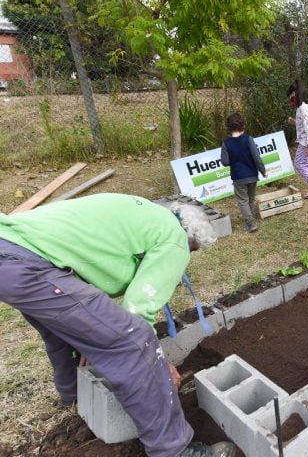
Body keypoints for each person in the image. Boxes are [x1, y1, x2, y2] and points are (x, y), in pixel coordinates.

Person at [0, 193, 236, 457]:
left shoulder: (144, 215)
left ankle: (75, 395)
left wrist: (97, 333)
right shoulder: (174, 238)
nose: (188, 256)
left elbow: (89, 273)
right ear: (192, 240)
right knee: (133, 341)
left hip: (11, 251)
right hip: (28, 265)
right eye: (193, 251)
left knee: (61, 334)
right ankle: (174, 450)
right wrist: (156, 364)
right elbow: (137, 309)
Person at [220, 112, 268, 233]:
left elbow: (225, 162)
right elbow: (257, 157)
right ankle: (251, 221)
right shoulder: (249, 139)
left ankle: (251, 224)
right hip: (252, 175)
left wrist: (234, 160)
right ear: (243, 125)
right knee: (251, 199)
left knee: (243, 201)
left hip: (238, 177)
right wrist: (263, 171)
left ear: (229, 127)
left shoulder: (226, 143)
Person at [286, 79, 308, 199]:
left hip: (306, 142)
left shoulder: (303, 108)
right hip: (307, 140)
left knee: (298, 164)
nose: (290, 97)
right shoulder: (302, 108)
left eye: (290, 94)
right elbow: (303, 125)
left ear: (295, 94)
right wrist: (294, 122)